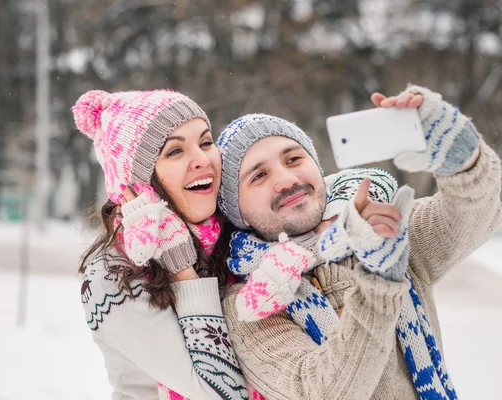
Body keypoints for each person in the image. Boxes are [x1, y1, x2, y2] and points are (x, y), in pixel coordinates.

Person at [215, 85, 502, 400]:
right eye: (258, 176)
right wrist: (380, 280)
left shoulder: (384, 225)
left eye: (294, 159)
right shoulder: (249, 302)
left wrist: (463, 157)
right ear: (236, 211)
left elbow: (477, 213)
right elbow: (322, 392)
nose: (287, 179)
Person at [73, 89, 250, 399]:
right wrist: (181, 266)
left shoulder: (237, 236)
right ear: (138, 184)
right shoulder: (113, 275)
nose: (202, 159)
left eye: (206, 142)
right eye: (174, 151)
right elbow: (221, 392)